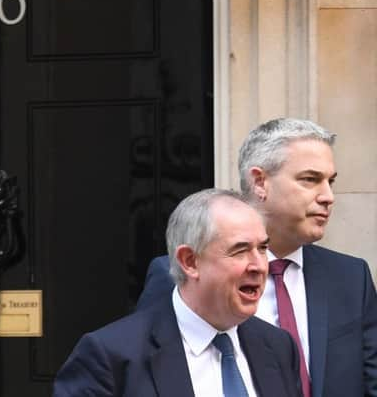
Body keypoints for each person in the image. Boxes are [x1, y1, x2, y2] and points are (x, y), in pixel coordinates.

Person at [136, 118, 377, 397]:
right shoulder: (181, 274)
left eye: (330, 182)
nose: (328, 196)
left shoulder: (350, 276)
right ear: (260, 182)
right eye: (310, 180)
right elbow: (149, 375)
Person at [53, 189, 302, 397]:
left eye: (262, 248)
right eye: (240, 250)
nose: (259, 265)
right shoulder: (110, 356)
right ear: (190, 261)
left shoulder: (278, 346)